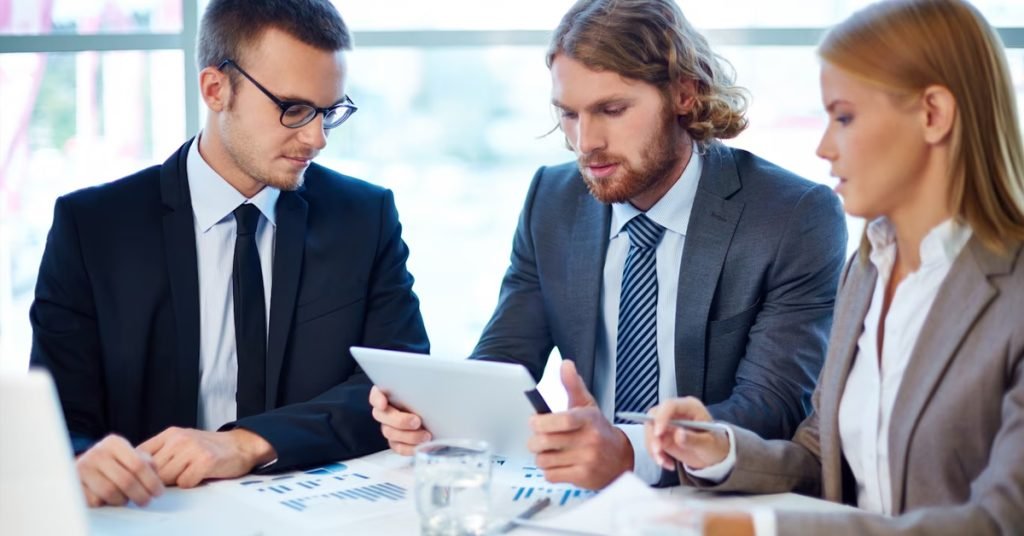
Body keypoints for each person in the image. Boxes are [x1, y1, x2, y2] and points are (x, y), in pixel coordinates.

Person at [371, 0, 847, 490]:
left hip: (717, 498)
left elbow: (773, 404)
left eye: (612, 110)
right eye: (570, 115)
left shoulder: (791, 216)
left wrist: (629, 451)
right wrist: (442, 416)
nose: (585, 142)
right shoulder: (551, 200)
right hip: (586, 499)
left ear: (685, 92)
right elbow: (506, 357)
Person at [29, 0, 428, 508]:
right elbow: (54, 416)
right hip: (148, 513)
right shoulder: (93, 228)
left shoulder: (363, 216)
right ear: (216, 90)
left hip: (312, 511)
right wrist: (78, 460)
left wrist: (247, 443)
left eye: (330, 112)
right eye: (295, 109)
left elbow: (398, 379)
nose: (317, 137)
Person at [645, 0, 1024, 533]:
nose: (824, 147)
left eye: (844, 117)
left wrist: (768, 530)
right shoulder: (868, 270)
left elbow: (1000, 521)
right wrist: (720, 450)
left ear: (933, 114)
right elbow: (822, 458)